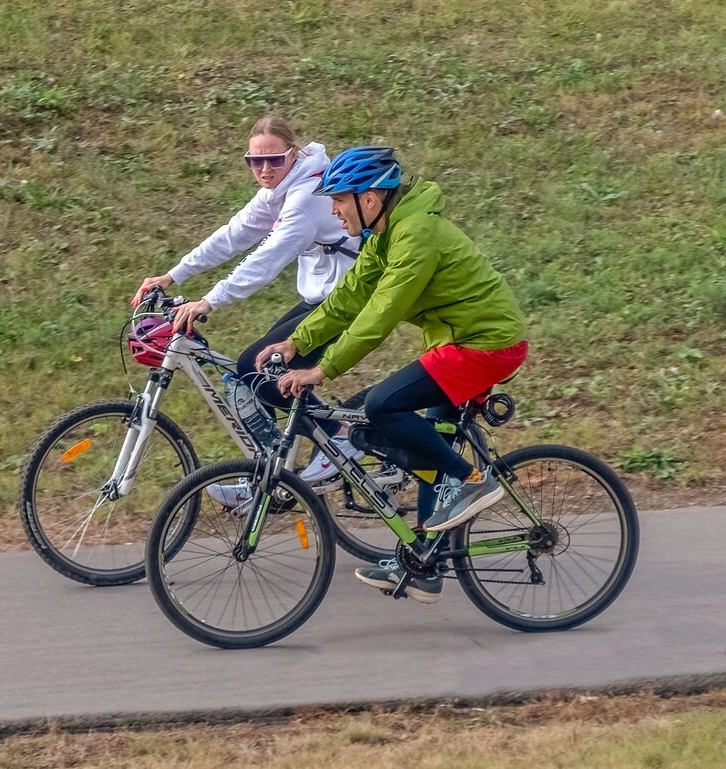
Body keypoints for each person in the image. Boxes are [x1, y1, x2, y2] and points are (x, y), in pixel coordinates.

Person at [258, 146, 528, 604]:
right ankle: (424, 564)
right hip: (456, 343)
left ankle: (473, 481)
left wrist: (323, 369)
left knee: (382, 405)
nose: (333, 210)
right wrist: (297, 342)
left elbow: (381, 314)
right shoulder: (384, 235)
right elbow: (350, 296)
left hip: (486, 344)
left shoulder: (416, 233)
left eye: (339, 200)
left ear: (369, 199)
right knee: (428, 443)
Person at [131, 116, 368, 491]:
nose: (264, 169)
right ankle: (273, 477)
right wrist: (172, 276)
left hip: (348, 301)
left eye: (274, 159)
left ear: (294, 153)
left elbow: (266, 260)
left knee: (254, 371)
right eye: (255, 162)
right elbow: (233, 235)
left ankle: (333, 441)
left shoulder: (305, 198)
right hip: (323, 298)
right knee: (261, 372)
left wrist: (209, 301)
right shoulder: (281, 189)